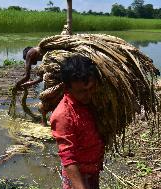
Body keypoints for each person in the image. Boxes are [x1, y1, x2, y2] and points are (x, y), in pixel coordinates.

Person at [50, 54, 105, 189]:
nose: (88, 94)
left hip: (93, 170)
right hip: (77, 178)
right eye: (81, 91)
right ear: (67, 88)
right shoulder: (63, 115)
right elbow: (68, 158)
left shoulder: (92, 102)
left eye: (90, 88)